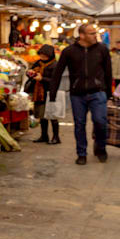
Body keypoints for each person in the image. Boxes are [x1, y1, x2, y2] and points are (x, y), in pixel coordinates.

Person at [49, 24, 112, 165]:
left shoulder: (102, 49)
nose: (95, 35)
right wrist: (52, 94)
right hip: (78, 94)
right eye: (91, 33)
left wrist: (109, 93)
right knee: (79, 124)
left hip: (98, 92)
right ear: (82, 35)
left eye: (95, 33)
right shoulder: (69, 51)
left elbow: (108, 71)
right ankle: (81, 153)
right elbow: (57, 73)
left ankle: (101, 147)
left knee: (100, 121)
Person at [28, 45, 60, 144]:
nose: (42, 57)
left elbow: (55, 81)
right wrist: (29, 73)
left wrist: (42, 79)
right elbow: (31, 71)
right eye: (41, 55)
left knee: (52, 115)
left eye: (44, 56)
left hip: (50, 92)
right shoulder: (38, 63)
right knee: (42, 115)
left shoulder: (55, 65)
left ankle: (56, 137)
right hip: (38, 92)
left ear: (49, 55)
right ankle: (44, 135)